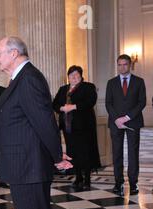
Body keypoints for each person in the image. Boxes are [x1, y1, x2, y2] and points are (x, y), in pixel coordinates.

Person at [0, 37, 72, 209]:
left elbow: (44, 121)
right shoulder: (20, 78)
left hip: (29, 167)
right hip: (22, 167)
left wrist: (57, 155)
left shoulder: (28, 78)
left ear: (14, 53)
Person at [53, 66, 101, 191]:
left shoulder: (88, 87)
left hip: (84, 127)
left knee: (85, 153)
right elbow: (55, 104)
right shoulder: (63, 89)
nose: (74, 78)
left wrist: (73, 106)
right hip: (68, 128)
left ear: (81, 76)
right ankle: (78, 177)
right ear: (68, 77)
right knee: (73, 152)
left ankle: (87, 179)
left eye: (76, 75)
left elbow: (91, 101)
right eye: (71, 75)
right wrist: (63, 108)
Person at [105, 54, 147, 196]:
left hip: (133, 122)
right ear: (117, 65)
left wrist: (127, 117)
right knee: (117, 153)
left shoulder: (139, 81)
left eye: (125, 64)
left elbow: (142, 102)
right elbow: (108, 103)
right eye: (119, 64)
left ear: (130, 65)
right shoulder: (111, 83)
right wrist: (117, 119)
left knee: (132, 153)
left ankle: (133, 184)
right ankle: (118, 183)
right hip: (115, 123)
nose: (122, 67)